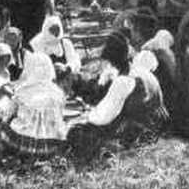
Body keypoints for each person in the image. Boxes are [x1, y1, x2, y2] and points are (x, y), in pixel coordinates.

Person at [68, 29, 169, 158]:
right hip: (158, 126)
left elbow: (102, 118)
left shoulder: (123, 82)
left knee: (76, 132)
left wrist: (86, 115)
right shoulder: (142, 71)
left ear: (112, 61)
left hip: (141, 134)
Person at [0, 53, 69, 160]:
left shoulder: (21, 91)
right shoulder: (58, 92)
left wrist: (2, 122)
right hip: (49, 146)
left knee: (7, 122)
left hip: (21, 144)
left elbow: (8, 113)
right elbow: (59, 118)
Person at [30, 14, 81, 96]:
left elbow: (74, 60)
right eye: (52, 29)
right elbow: (38, 64)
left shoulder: (65, 43)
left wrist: (67, 67)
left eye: (57, 29)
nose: (55, 32)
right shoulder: (39, 44)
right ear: (46, 29)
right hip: (47, 78)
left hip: (65, 76)